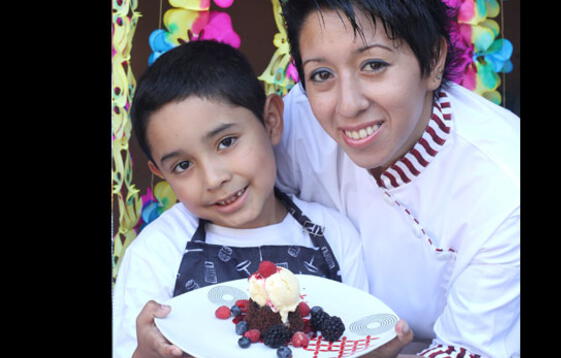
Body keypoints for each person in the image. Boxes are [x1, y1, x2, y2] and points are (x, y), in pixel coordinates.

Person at [276, 1, 520, 357]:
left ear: (433, 61)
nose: (347, 105)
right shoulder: (300, 124)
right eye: (322, 74)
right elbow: (226, 198)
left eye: (373, 65)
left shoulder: (503, 185)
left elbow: (470, 349)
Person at [112, 40, 379, 358]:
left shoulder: (334, 235)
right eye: (183, 165)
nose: (214, 178)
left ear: (271, 122)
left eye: (226, 142)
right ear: (160, 172)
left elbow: (357, 339)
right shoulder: (158, 251)